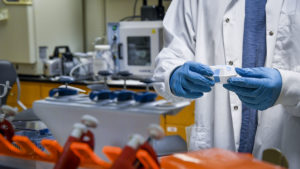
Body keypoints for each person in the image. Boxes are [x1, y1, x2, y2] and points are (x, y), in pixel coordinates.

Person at [153, 0, 300, 168]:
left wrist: (289, 88)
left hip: (290, 144)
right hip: (215, 148)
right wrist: (173, 73)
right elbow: (171, 54)